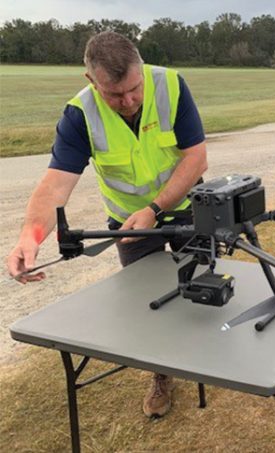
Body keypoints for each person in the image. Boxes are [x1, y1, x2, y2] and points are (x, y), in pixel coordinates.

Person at [6, 31, 208, 418]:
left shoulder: (169, 85)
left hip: (185, 207)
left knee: (200, 286)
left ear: (142, 69)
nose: (128, 101)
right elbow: (54, 186)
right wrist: (29, 239)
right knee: (147, 303)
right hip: (128, 223)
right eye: (114, 95)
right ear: (91, 81)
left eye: (134, 89)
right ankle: (162, 373)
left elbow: (196, 159)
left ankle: (204, 357)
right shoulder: (79, 115)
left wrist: (155, 207)